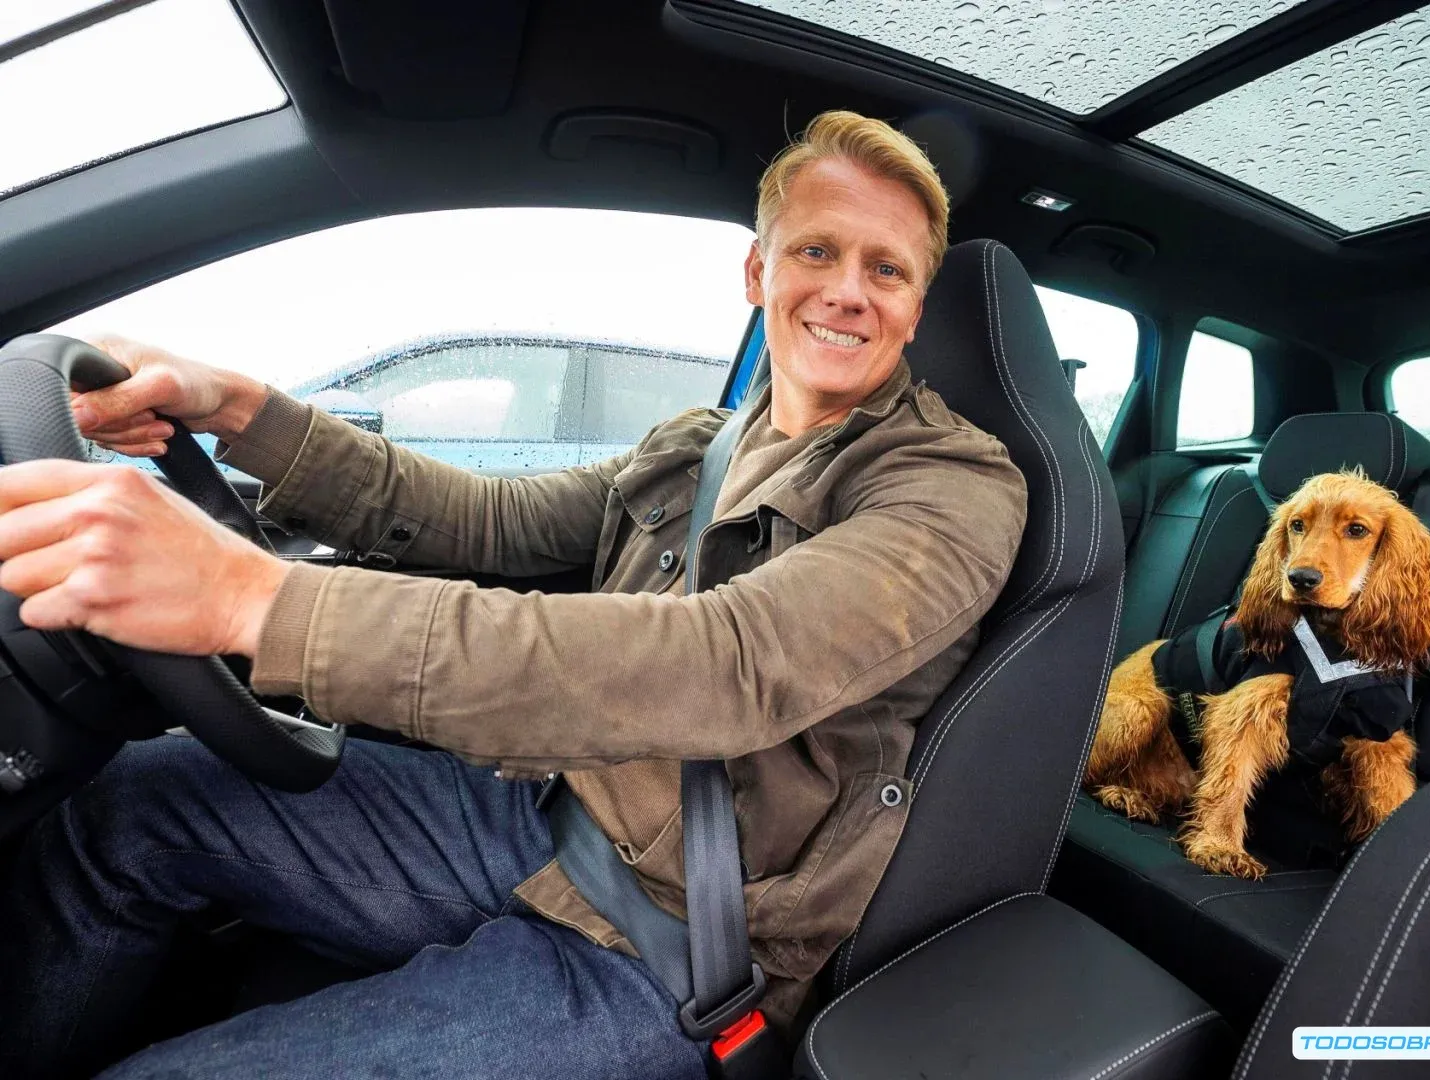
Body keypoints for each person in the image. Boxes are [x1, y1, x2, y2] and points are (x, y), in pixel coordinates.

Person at [0, 110, 1027, 1079]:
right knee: (130, 807)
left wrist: (255, 602)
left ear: (913, 305)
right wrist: (243, 411)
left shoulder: (950, 485)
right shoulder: (699, 444)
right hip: (539, 816)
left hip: (673, 939)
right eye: (817, 251)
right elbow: (490, 522)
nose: (847, 289)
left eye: (884, 268)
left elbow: (727, 663)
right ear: (759, 270)